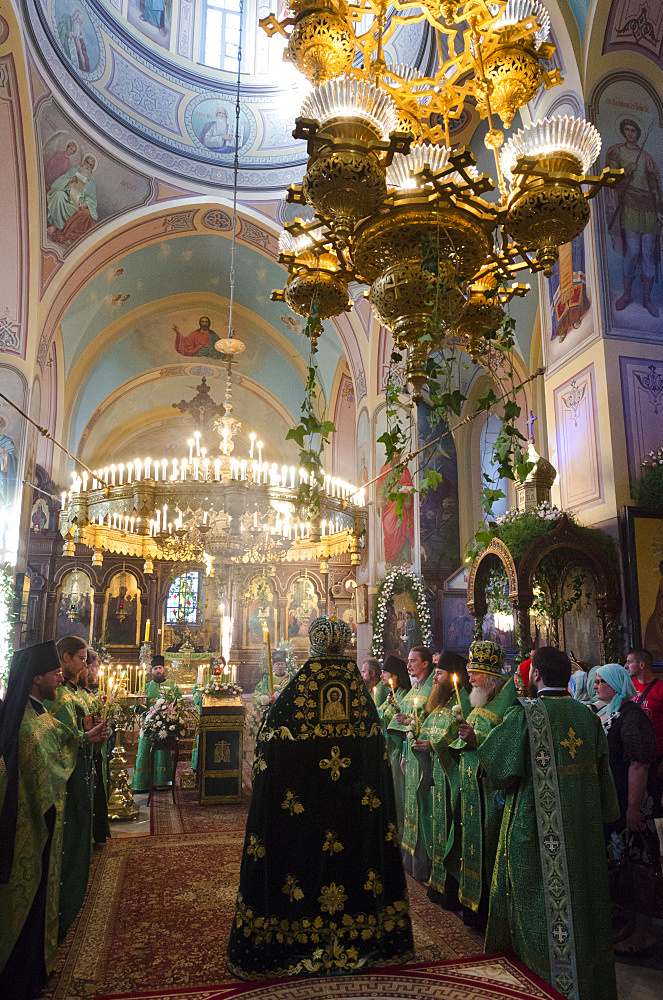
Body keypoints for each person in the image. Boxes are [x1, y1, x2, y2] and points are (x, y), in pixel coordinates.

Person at [227, 616, 414, 979]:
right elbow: (376, 756)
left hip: (304, 813)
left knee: (300, 865)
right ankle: (363, 941)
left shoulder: (295, 695)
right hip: (353, 812)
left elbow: (269, 757)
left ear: (312, 646)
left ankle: (294, 941)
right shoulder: (360, 698)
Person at [477, 647, 620, 1000]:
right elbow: (606, 780)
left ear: (536, 675)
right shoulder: (587, 715)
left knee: (538, 905)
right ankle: (588, 986)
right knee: (583, 905)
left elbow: (496, 766)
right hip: (584, 833)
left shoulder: (526, 714)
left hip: (536, 833)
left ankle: (540, 985)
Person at [0, 642, 72, 1000]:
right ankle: (20, 978)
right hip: (31, 825)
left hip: (44, 819)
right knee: (28, 903)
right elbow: (43, 774)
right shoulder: (27, 726)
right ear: (37, 677)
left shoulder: (37, 714)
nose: (60, 675)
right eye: (54, 672)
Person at [435, 639, 516, 923]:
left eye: (476, 673)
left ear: (491, 676)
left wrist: (477, 739)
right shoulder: (479, 700)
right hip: (471, 789)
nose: (470, 678)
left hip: (492, 794)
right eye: (469, 672)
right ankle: (469, 906)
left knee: (488, 851)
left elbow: (509, 747)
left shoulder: (509, 702)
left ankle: (487, 913)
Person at [45, 636, 108, 938]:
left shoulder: (77, 693)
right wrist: (86, 736)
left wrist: (93, 735)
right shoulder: (57, 695)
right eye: (82, 659)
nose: (86, 664)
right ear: (66, 658)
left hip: (83, 772)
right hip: (66, 779)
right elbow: (59, 739)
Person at [595, 663, 659, 956]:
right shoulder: (612, 711)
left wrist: (634, 807)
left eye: (600, 682)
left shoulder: (631, 715)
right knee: (624, 862)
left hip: (633, 803)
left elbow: (639, 762)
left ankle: (644, 933)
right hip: (617, 800)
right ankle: (632, 924)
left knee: (638, 863)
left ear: (616, 683)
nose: (595, 686)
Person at [415, 650, 470, 904]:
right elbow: (429, 727)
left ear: (453, 676)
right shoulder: (438, 703)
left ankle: (451, 888)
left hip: (452, 780)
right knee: (438, 827)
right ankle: (438, 885)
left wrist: (434, 746)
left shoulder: (463, 702)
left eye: (439, 673)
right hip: (436, 778)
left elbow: (462, 740)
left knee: (450, 831)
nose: (435, 679)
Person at [606, 118, 663, 318]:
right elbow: (610, 177)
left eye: (634, 130)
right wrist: (624, 171)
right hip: (630, 203)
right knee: (633, 251)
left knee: (647, 253)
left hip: (647, 204)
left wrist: (658, 210)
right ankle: (627, 294)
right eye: (627, 130)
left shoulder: (646, 157)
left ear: (638, 133)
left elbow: (654, 185)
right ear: (623, 131)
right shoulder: (617, 152)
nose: (630, 133)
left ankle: (647, 299)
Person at [388, 646, 435, 880]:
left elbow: (433, 720)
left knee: (422, 808)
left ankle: (423, 864)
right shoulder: (415, 688)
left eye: (413, 661)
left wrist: (410, 721)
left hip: (424, 758)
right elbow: (406, 718)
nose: (408, 665)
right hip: (409, 755)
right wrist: (400, 718)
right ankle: (410, 861)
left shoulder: (432, 689)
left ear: (425, 663)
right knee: (410, 809)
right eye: (407, 661)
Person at [132, 657, 182, 791]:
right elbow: (137, 708)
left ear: (164, 669)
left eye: (160, 668)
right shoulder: (146, 687)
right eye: (155, 668)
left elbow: (179, 702)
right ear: (151, 671)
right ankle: (142, 784)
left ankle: (162, 782)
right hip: (148, 726)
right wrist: (138, 704)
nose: (158, 671)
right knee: (144, 752)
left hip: (165, 726)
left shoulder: (172, 685)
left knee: (163, 754)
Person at [377, 653, 410, 839]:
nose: (382, 676)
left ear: (395, 676)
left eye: (385, 672)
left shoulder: (403, 697)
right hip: (388, 753)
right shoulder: (392, 695)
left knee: (398, 796)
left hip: (397, 754)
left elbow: (396, 727)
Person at [84, 649, 110, 845]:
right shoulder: (72, 696)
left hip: (92, 756)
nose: (95, 670)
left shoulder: (87, 694)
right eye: (94, 665)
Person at [46, 154, 98, 245]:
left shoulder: (92, 182)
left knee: (83, 214)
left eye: (90, 165)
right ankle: (54, 226)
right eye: (87, 162)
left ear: (92, 168)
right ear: (84, 162)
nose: (87, 166)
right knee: (59, 195)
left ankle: (64, 231)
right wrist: (69, 181)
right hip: (66, 195)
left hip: (77, 204)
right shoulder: (74, 170)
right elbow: (59, 181)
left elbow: (92, 199)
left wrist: (86, 203)